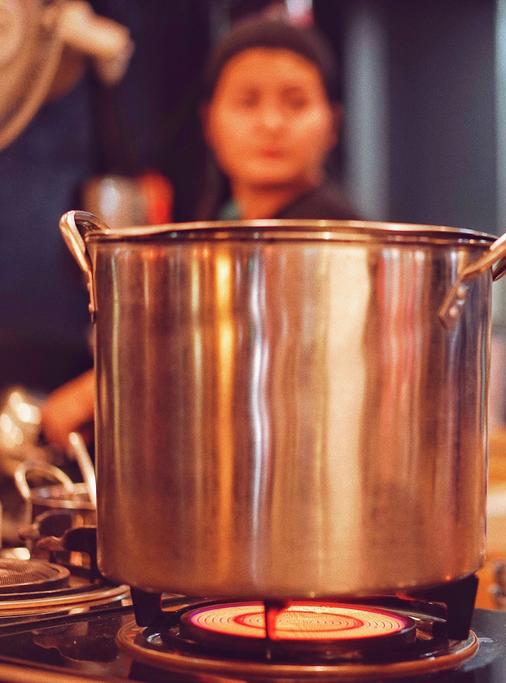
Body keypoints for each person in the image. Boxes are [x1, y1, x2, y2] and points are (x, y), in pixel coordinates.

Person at [41, 17, 358, 447]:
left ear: (332, 123)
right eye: (247, 102)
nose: (271, 123)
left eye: (296, 103)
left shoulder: (335, 237)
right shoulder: (220, 220)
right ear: (210, 121)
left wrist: (108, 384)